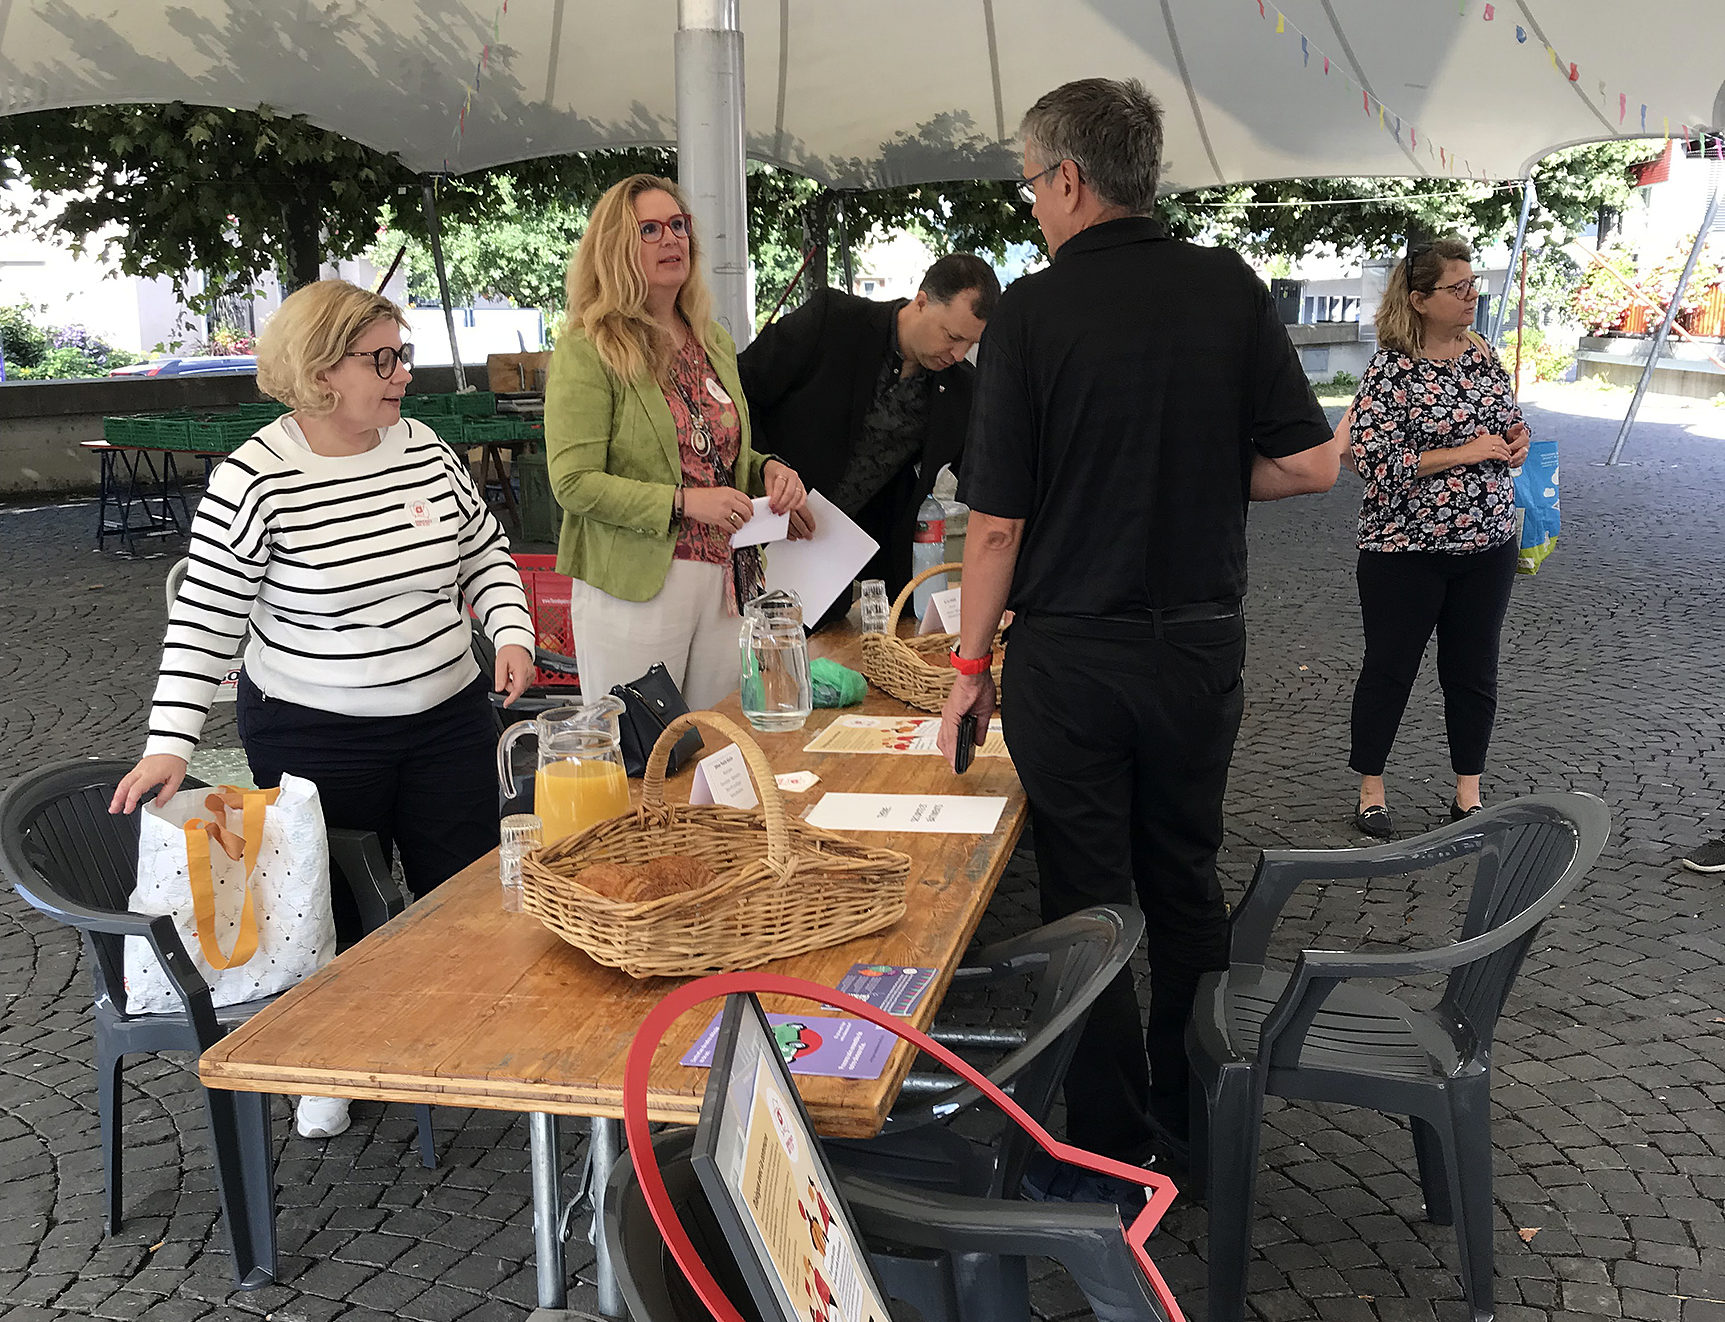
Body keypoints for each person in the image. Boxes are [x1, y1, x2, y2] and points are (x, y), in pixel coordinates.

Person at [935, 78, 1340, 1199]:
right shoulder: (1228, 286)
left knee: (1088, 895)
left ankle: (1110, 1144)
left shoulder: (1029, 312)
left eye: (1030, 184)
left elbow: (998, 524)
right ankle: (1200, 1117)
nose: (1031, 207)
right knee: (1184, 880)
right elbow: (1309, 463)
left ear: (1068, 178)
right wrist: (1192, 477)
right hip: (1200, 647)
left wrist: (968, 669)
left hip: (1072, 654)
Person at [110, 278, 538, 1139]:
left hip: (448, 713)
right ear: (318, 371)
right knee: (328, 899)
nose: (402, 375)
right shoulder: (255, 477)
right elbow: (203, 622)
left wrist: (511, 631)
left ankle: (470, 1033)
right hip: (315, 727)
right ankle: (330, 1062)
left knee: (462, 885)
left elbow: (483, 551)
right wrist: (168, 744)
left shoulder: (422, 447)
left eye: (401, 355)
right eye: (381, 359)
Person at [545, 174, 811, 707]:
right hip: (636, 584)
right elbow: (572, 482)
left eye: (678, 226)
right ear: (617, 247)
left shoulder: (711, 338)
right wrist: (683, 502)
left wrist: (767, 469)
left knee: (719, 747)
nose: (671, 239)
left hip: (727, 580)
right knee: (645, 757)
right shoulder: (589, 347)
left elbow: (714, 449)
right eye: (649, 229)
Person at [1346, 237, 1529, 838]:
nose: (1472, 295)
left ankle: (1467, 794)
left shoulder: (1483, 356)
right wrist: (1466, 453)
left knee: (1474, 671)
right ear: (1420, 299)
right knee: (1390, 668)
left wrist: (1516, 442)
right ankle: (1371, 789)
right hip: (1405, 548)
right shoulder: (1390, 368)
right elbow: (1372, 459)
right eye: (1458, 288)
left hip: (1487, 542)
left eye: (1474, 284)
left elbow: (1507, 424)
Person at [738, 254, 999, 625]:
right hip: (758, 524)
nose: (957, 355)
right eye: (952, 336)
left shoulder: (960, 391)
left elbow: (984, 479)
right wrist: (768, 465)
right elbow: (740, 387)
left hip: (834, 564)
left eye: (970, 344)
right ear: (921, 301)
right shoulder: (833, 320)